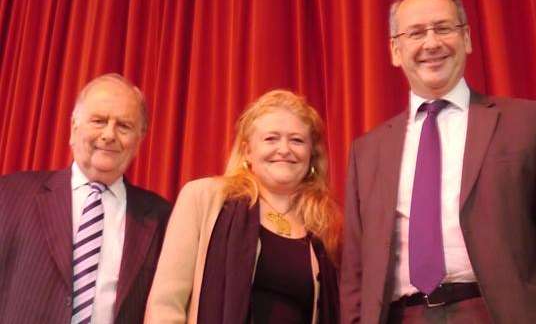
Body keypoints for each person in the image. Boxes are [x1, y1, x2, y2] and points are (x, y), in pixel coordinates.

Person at [340, 0, 536, 324]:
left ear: (467, 39)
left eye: (443, 28)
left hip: (494, 312)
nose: (432, 43)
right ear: (395, 51)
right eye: (415, 33)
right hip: (402, 315)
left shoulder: (525, 123)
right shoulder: (367, 151)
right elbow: (356, 270)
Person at [145, 89, 341, 324]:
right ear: (248, 151)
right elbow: (166, 304)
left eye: (297, 140)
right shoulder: (204, 198)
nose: (284, 149)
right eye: (271, 138)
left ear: (311, 154)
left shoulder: (325, 225)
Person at [0, 73, 171, 323]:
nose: (109, 135)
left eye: (124, 126)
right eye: (99, 121)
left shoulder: (161, 218)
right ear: (73, 127)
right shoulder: (10, 194)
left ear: (139, 140)